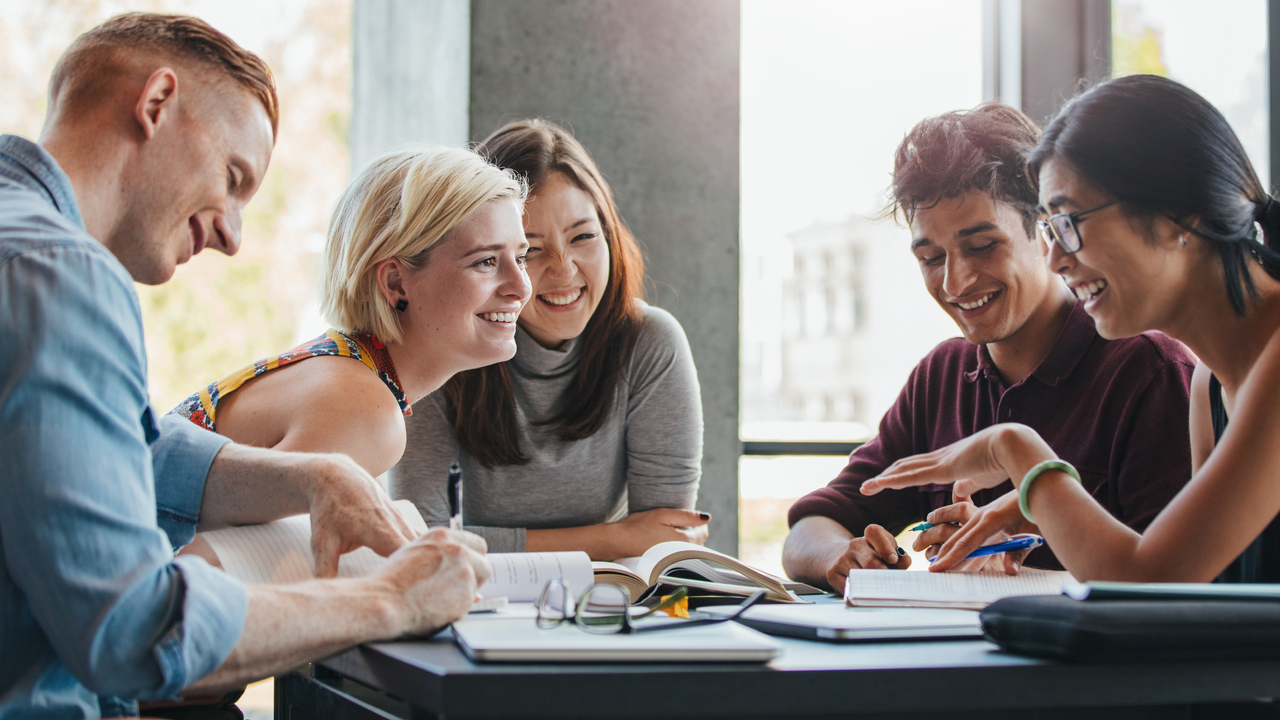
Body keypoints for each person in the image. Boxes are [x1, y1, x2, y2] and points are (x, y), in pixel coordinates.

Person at [0, 14, 488, 718]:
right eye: (233, 178)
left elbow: (101, 449)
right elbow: (135, 632)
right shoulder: (62, 274)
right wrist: (390, 598)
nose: (231, 234)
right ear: (157, 104)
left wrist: (312, 475)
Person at [861, 75, 1280, 584]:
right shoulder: (1208, 384)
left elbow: (1151, 582)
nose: (1056, 258)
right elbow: (1195, 599)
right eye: (1050, 229)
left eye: (1070, 223)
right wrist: (1045, 513)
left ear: (1177, 216)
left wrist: (1016, 451)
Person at [781, 103, 1197, 593]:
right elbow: (812, 527)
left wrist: (1018, 546)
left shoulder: (1148, 371)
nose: (955, 281)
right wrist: (840, 556)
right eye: (931, 258)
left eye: (981, 247)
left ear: (1046, 232)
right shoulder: (942, 376)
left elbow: (1171, 585)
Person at [390, 119, 708, 560]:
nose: (563, 270)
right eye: (530, 250)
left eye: (583, 237)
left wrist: (629, 542)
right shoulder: (442, 344)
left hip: (606, 605)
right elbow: (421, 541)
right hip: (472, 604)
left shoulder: (649, 343)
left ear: (610, 236)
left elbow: (661, 542)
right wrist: (612, 538)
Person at [169, 144, 532, 480]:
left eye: (521, 258)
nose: (522, 287)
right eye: (486, 261)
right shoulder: (365, 413)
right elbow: (207, 548)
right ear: (395, 283)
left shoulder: (349, 370)